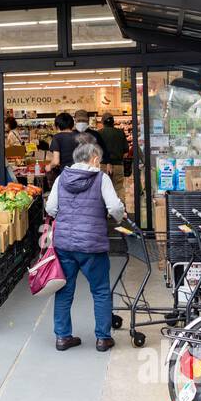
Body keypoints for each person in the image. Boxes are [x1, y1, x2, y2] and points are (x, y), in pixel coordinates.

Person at [45, 141, 125, 352]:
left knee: (64, 291)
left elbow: (51, 207)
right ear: (95, 159)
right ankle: (102, 338)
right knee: (100, 291)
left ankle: (62, 337)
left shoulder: (62, 178)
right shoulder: (101, 178)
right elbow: (115, 207)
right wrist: (118, 216)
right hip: (92, 245)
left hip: (64, 244)